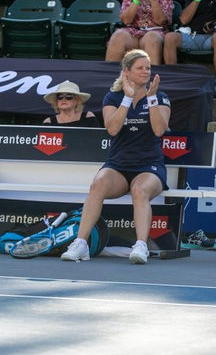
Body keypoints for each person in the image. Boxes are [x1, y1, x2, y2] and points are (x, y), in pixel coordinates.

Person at [61, 50, 171, 264]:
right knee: (97, 185)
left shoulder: (160, 96)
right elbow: (112, 129)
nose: (146, 71)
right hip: (118, 165)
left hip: (149, 165)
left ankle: (141, 245)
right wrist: (127, 99)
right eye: (140, 68)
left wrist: (151, 99)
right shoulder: (113, 97)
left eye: (148, 68)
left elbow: (159, 130)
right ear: (126, 72)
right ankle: (80, 244)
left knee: (140, 190)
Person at [105, 0, 173, 66]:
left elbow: (161, 21)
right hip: (133, 32)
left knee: (152, 38)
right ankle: (109, 74)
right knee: (118, 35)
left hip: (155, 32)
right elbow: (126, 20)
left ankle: (152, 75)